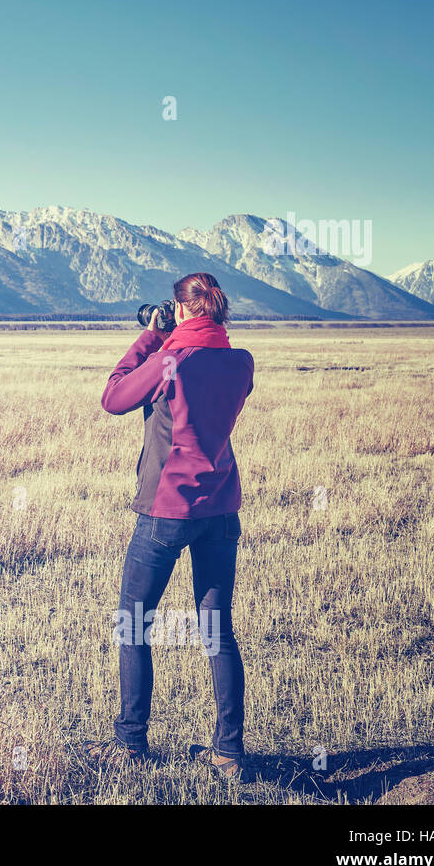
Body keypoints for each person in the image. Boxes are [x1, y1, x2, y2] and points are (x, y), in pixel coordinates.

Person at [85, 272, 255, 781]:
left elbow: (114, 397)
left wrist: (151, 337)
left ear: (181, 310)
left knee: (133, 623)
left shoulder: (169, 359)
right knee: (217, 629)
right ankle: (229, 753)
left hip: (167, 511)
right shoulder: (241, 362)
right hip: (221, 508)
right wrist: (171, 338)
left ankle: (131, 741)